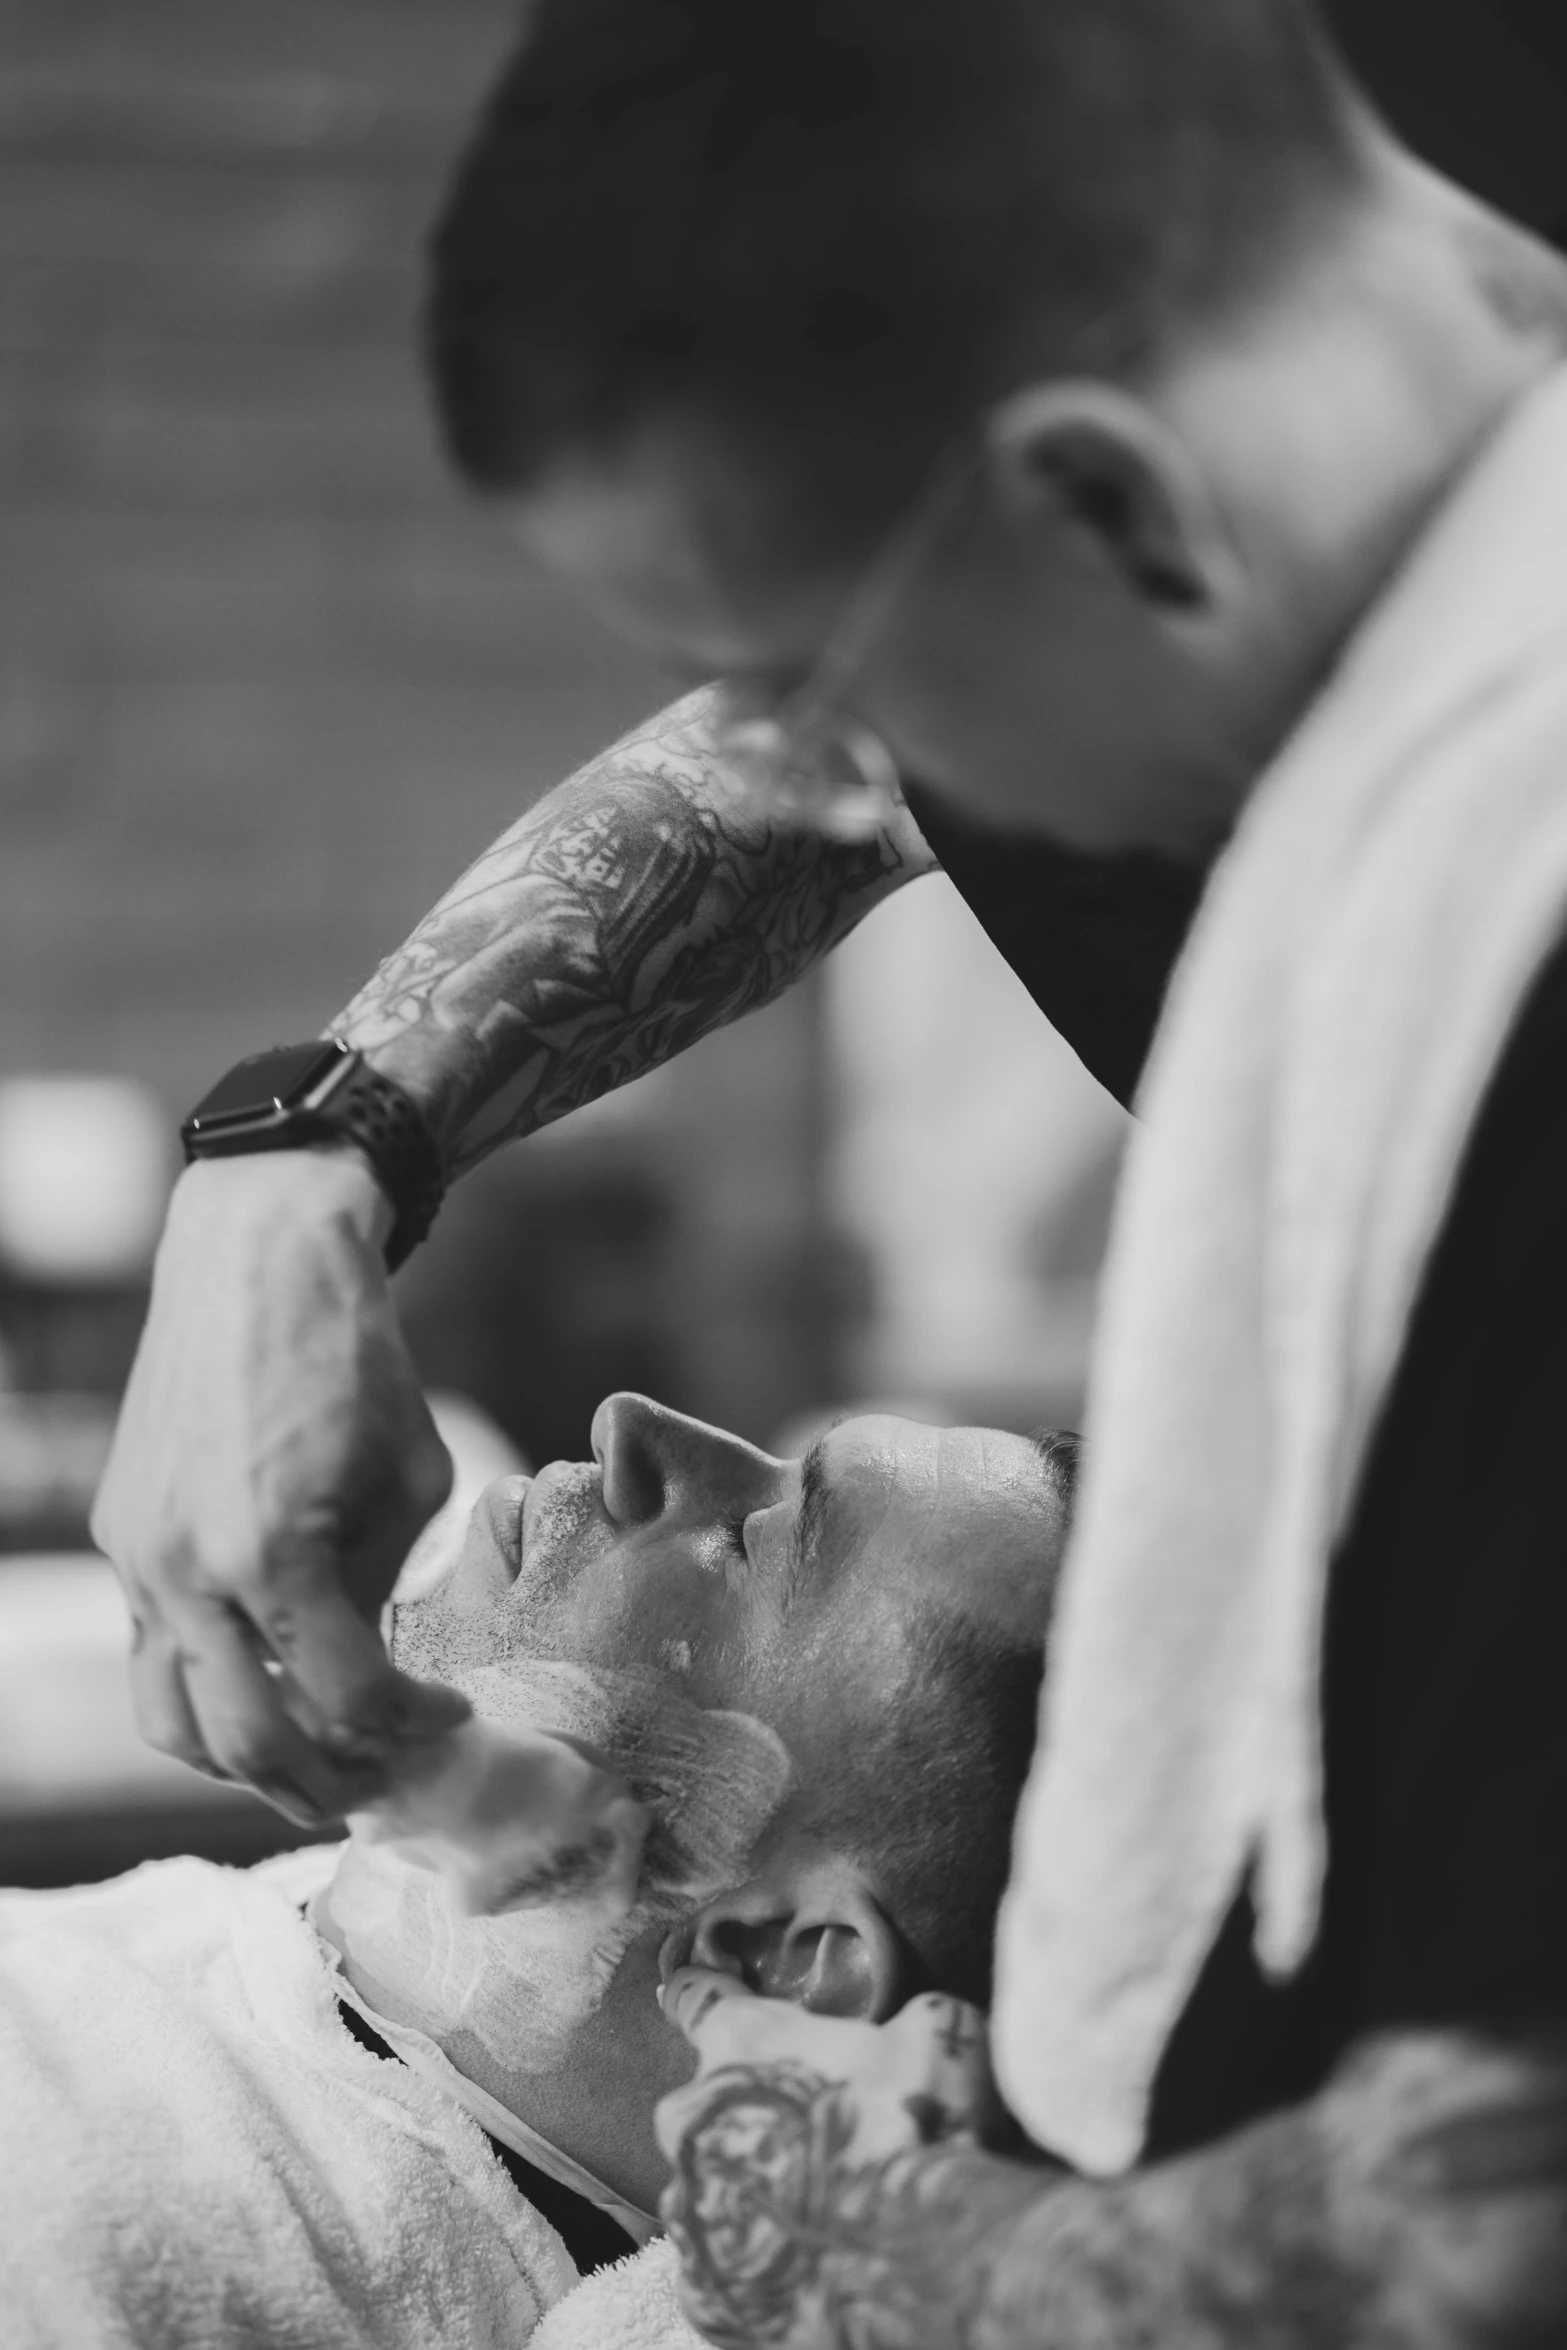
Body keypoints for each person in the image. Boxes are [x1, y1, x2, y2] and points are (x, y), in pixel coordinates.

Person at [193, 1, 1567, 2343]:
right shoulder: (1387, 516)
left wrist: (845, 2221)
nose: (842, 784)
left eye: (849, 688)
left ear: (1105, 500)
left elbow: (1487, 2236)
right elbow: (735, 792)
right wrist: (307, 1164)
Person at [2, 1394, 1072, 2349]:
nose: (630, 1425)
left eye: (754, 1542)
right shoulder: (238, 1967)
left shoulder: (94, 2232)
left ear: (783, 1959)